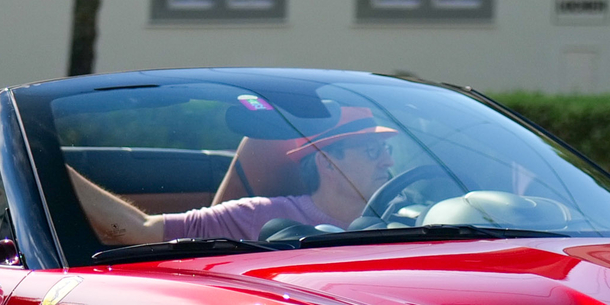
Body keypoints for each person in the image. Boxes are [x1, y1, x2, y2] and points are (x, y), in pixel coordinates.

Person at [70, 113, 403, 247]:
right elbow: (140, 231)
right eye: (373, 151)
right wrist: (38, 157)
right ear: (328, 163)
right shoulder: (256, 216)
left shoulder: (411, 221)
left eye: (386, 149)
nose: (388, 160)